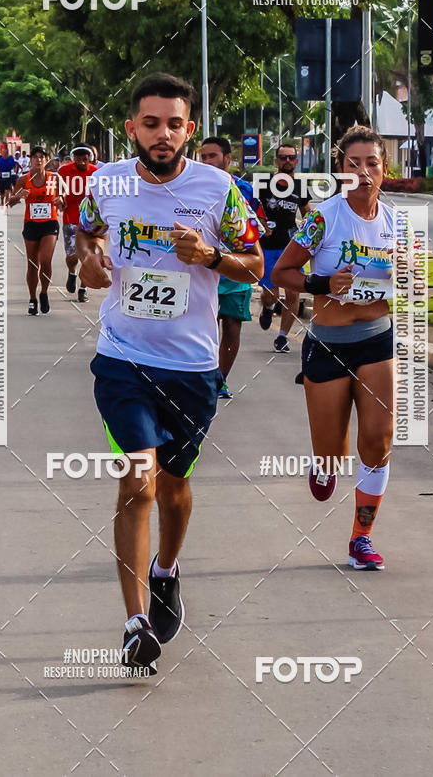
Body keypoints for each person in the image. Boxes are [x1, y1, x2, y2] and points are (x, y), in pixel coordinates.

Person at [76, 73, 263, 674]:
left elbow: (256, 264)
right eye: (150, 123)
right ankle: (134, 624)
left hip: (191, 368)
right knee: (139, 482)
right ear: (131, 127)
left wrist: (210, 255)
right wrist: (89, 261)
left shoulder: (221, 190)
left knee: (175, 490)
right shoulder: (106, 182)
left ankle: (166, 571)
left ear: (190, 129)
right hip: (123, 359)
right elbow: (84, 231)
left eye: (174, 124)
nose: (162, 134)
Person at [271, 125, 396, 571]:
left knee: (379, 440)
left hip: (377, 340)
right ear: (340, 171)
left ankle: (361, 538)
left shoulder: (395, 221)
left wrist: (409, 279)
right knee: (333, 454)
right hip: (328, 343)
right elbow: (282, 272)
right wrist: (322, 283)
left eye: (372, 164)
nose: (363, 172)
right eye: (352, 164)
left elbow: (408, 283)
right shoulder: (324, 217)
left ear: (385, 168)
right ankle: (323, 463)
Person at [200, 136, 267, 399]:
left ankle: (221, 379)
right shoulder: (193, 188)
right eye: (203, 157)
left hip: (236, 266)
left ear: (228, 159)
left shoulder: (245, 189)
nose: (207, 161)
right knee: (205, 323)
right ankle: (202, 373)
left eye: (212, 156)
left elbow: (259, 225)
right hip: (203, 268)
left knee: (231, 324)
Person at [258, 142, 310, 352]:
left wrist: (314, 233)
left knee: (293, 294)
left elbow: (308, 213)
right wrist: (260, 223)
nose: (287, 161)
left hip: (292, 248)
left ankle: (282, 337)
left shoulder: (300, 187)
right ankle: (269, 307)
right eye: (283, 157)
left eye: (291, 157)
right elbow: (251, 209)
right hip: (268, 246)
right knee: (271, 293)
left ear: (296, 161)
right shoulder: (264, 184)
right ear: (276, 160)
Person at [8, 146, 63, 315]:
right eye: (35, 157)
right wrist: (19, 196)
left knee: (45, 260)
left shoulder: (55, 178)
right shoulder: (24, 179)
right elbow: (10, 202)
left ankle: (44, 292)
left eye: (42, 157)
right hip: (31, 224)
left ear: (46, 160)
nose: (38, 160)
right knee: (32, 264)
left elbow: (63, 199)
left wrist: (61, 200)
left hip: (50, 223)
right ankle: (32, 298)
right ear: (30, 160)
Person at [57, 144, 97, 302]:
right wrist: (60, 199)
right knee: (72, 256)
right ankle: (72, 272)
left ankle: (83, 288)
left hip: (92, 221)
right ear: (73, 159)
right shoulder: (64, 172)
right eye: (78, 159)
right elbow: (58, 191)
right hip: (70, 219)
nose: (81, 162)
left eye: (84, 159)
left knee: (88, 256)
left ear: (90, 159)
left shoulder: (97, 173)